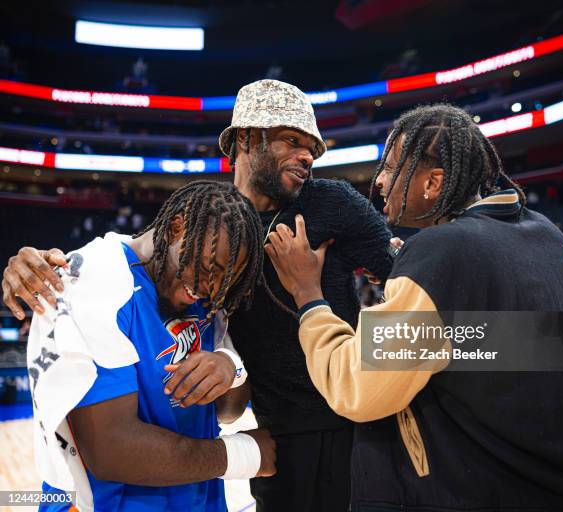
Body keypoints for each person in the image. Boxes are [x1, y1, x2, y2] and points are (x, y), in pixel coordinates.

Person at [2, 80, 395, 512]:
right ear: (246, 139)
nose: (306, 156)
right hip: (278, 436)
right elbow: (127, 260)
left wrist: (400, 376)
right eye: (292, 141)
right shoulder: (202, 223)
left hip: (357, 424)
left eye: (312, 149)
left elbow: (409, 280)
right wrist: (41, 264)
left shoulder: (332, 202)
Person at [264, 104, 563, 510]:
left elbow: (355, 388)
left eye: (392, 168)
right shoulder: (544, 233)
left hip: (480, 490)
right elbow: (502, 347)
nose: (380, 182)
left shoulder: (442, 254)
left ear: (433, 182)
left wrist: (308, 295)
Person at [25, 181, 276, 511]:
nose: (210, 289)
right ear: (176, 228)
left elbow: (226, 412)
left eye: (224, 280)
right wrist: (246, 455)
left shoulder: (200, 291)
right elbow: (111, 451)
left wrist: (230, 365)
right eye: (209, 270)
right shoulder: (94, 280)